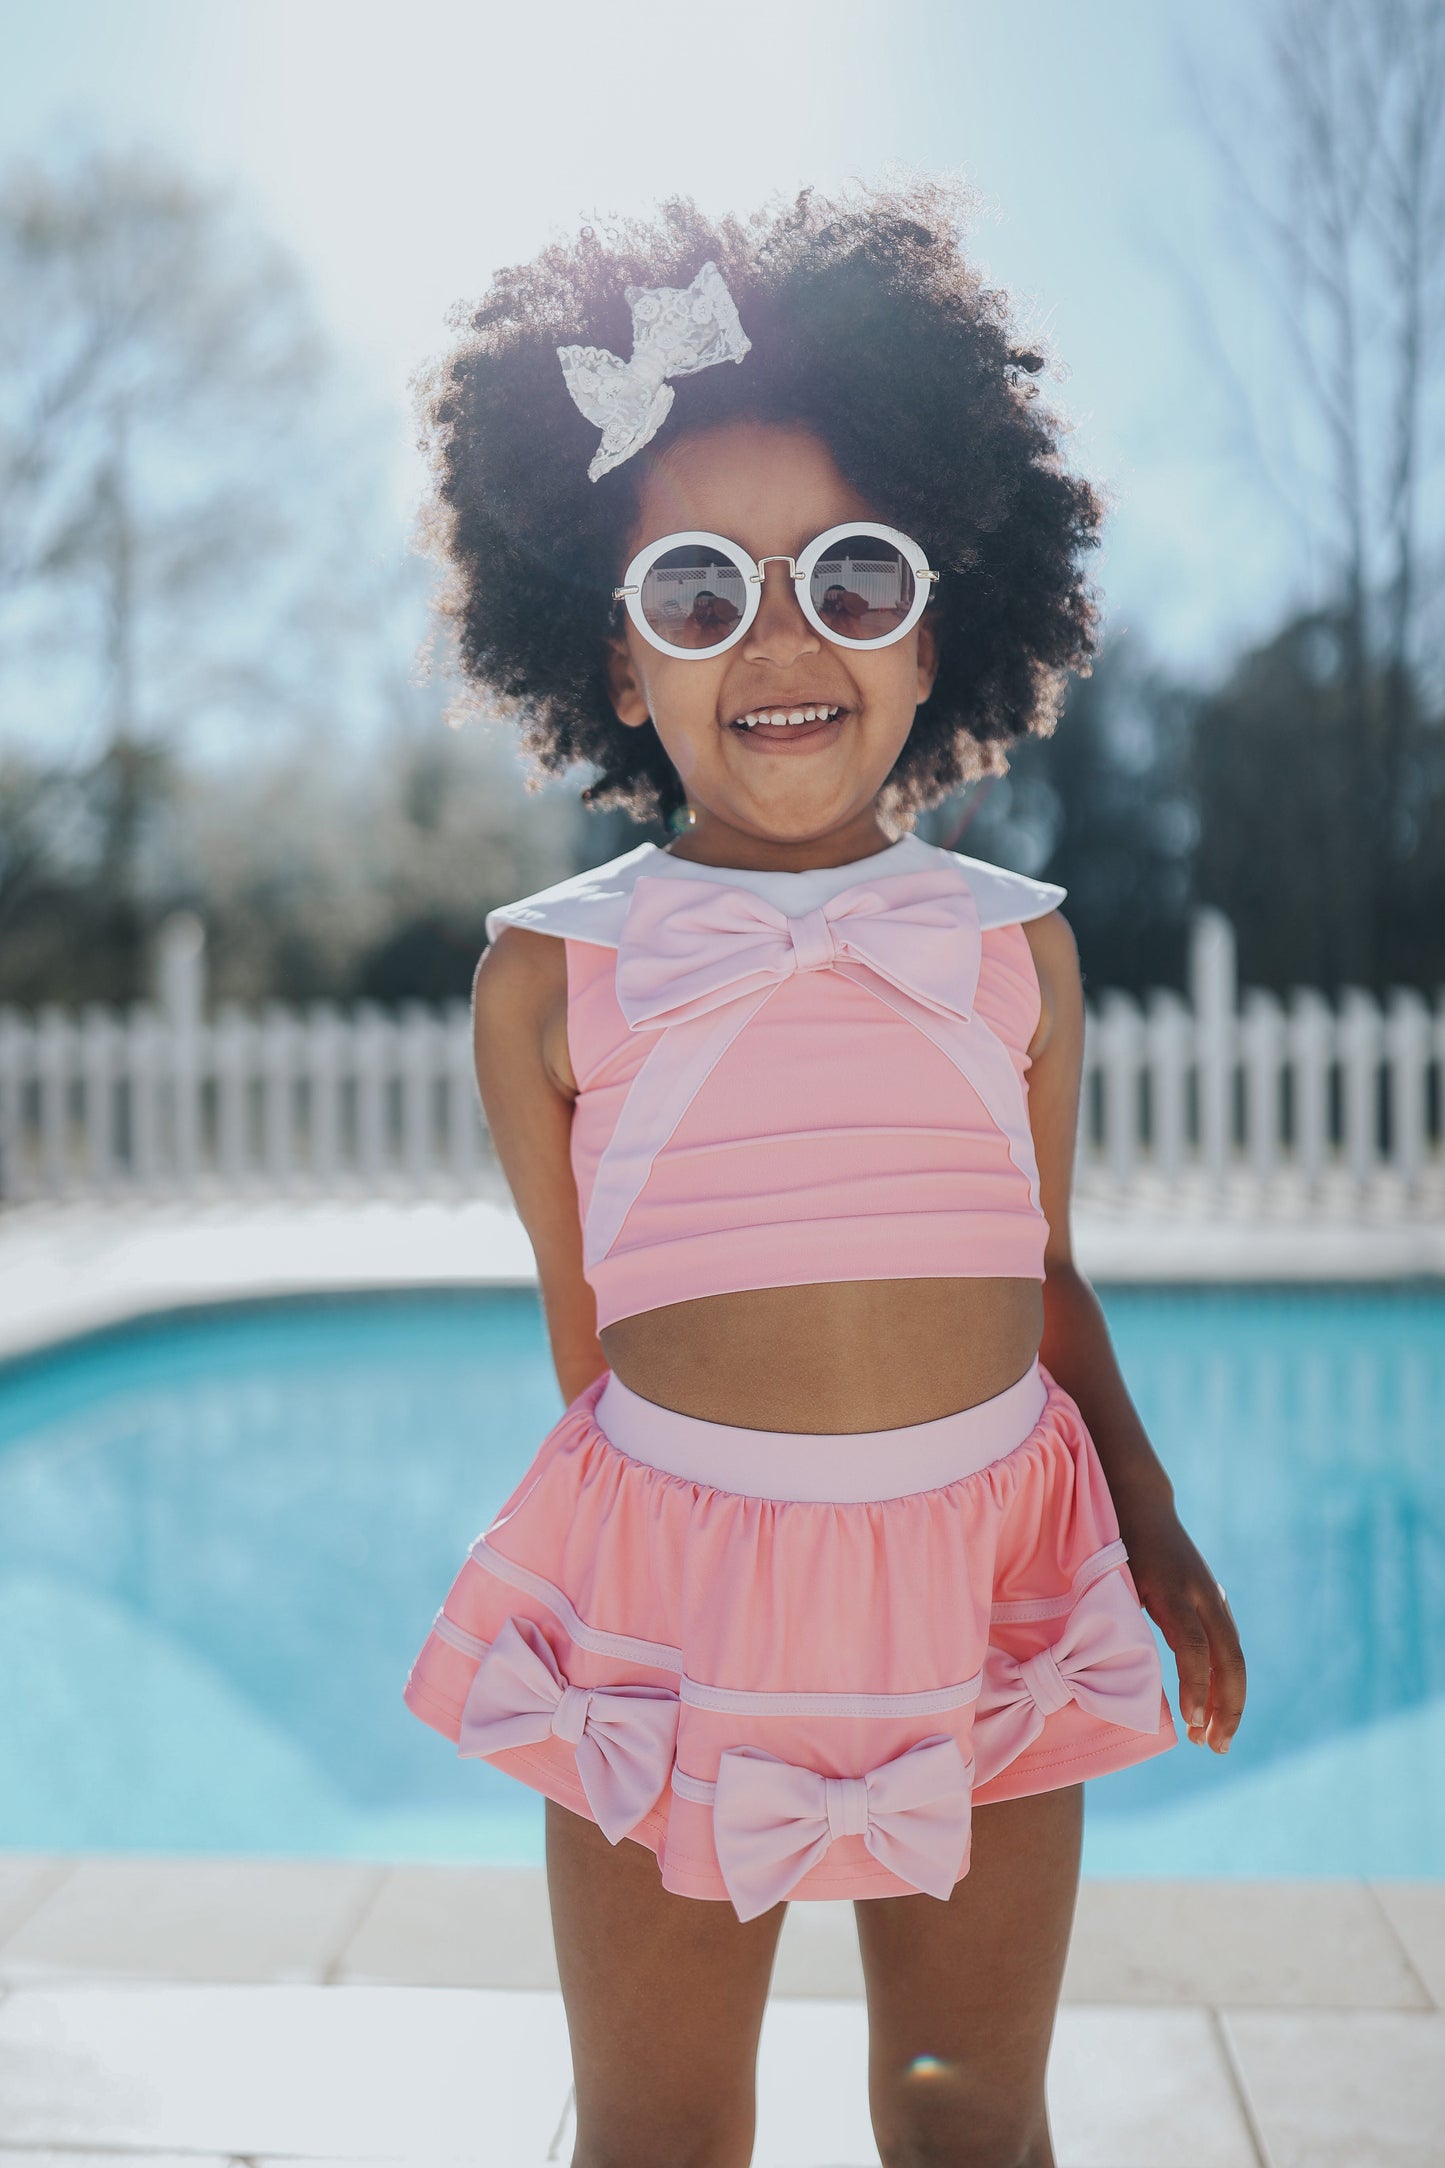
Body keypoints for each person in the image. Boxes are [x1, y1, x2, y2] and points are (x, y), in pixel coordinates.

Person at [404, 184, 1245, 2168]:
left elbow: (1039, 1264)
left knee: (975, 2126)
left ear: (936, 622)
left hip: (999, 1586)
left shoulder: (1009, 942)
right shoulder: (547, 979)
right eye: (700, 592)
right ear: (614, 662)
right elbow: (585, 1346)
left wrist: (1154, 1516)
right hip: (678, 1609)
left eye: (848, 578)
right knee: (659, 2132)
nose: (779, 641)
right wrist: (711, 1577)